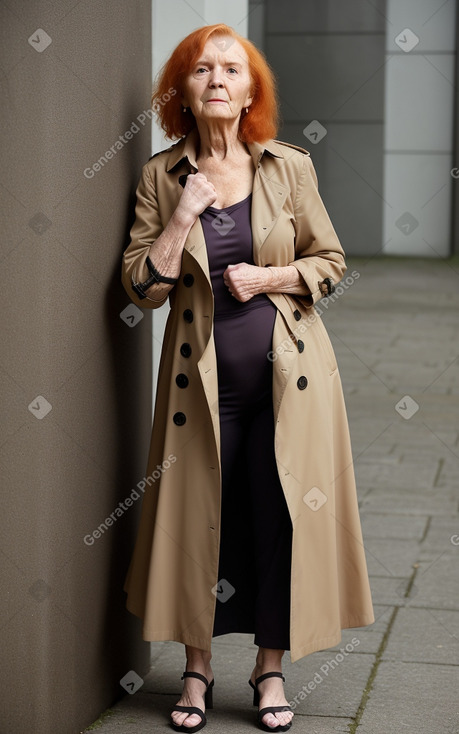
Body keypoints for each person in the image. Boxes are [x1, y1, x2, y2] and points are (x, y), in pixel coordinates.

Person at [121, 23, 374, 734]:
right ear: (185, 89)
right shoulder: (160, 175)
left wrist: (269, 276)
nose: (218, 80)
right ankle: (195, 671)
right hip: (197, 396)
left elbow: (328, 260)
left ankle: (269, 669)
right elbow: (141, 289)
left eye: (232, 68)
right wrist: (183, 216)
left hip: (290, 389)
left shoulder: (287, 168)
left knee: (278, 521)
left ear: (250, 88)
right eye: (202, 69)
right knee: (203, 524)